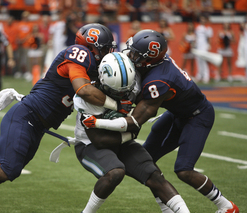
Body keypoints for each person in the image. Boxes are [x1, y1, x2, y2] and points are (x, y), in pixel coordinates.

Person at [0, 23, 132, 212]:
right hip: (27, 116)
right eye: (105, 48)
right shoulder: (78, 54)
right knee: (7, 170)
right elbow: (84, 90)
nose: (108, 52)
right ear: (91, 46)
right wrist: (116, 105)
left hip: (38, 125)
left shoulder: (92, 65)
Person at [81, 29, 240, 213]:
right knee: (146, 163)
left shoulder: (158, 81)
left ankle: (226, 206)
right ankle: (167, 207)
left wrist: (98, 122)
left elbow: (134, 121)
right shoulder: (153, 65)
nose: (130, 55)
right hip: (176, 113)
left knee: (184, 170)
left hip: (197, 116)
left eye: (135, 54)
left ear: (148, 59)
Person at [75, 52, 190, 213]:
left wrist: (130, 131)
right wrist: (129, 132)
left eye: (126, 90)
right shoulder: (88, 96)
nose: (121, 94)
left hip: (122, 141)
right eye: (116, 90)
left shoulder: (133, 83)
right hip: (89, 145)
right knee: (115, 172)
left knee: (154, 175)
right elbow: (100, 140)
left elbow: (141, 119)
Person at [194, 15, 213, 83]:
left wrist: (209, 45)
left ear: (205, 20)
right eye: (201, 19)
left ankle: (206, 76)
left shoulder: (208, 28)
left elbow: (209, 38)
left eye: (204, 19)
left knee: (204, 61)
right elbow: (196, 37)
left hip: (204, 46)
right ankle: (199, 76)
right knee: (198, 61)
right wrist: (195, 44)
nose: (202, 20)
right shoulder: (197, 28)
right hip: (198, 46)